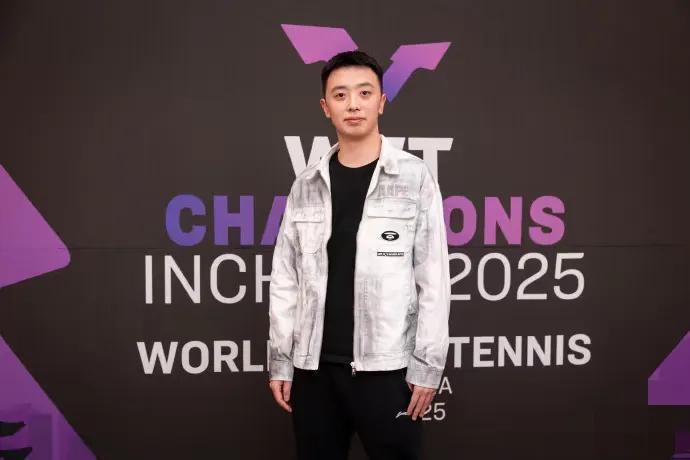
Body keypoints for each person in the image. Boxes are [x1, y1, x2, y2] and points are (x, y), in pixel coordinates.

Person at [267, 50, 451, 460]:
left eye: (364, 93)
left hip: (388, 373)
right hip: (314, 372)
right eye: (341, 95)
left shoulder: (414, 177)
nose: (353, 104)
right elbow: (285, 280)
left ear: (381, 102)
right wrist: (281, 360)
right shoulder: (306, 185)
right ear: (325, 107)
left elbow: (434, 280)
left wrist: (427, 366)